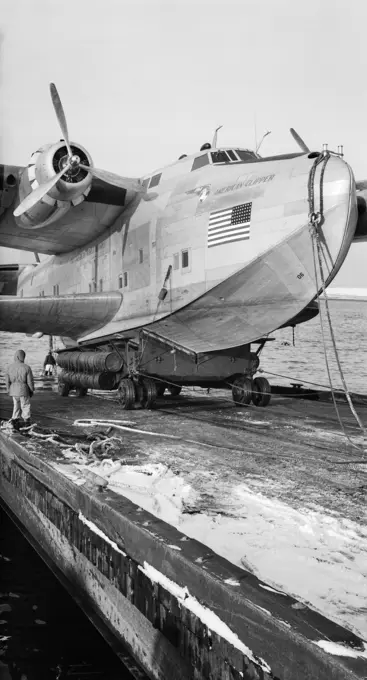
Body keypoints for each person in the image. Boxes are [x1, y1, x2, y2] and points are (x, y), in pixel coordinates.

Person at [5, 349, 35, 427]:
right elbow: (30, 382)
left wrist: (8, 390)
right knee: (25, 405)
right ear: (23, 357)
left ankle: (15, 419)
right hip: (24, 390)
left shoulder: (9, 367)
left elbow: (7, 381)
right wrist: (31, 390)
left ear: (16, 357)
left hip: (14, 391)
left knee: (16, 405)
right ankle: (26, 421)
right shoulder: (27, 367)